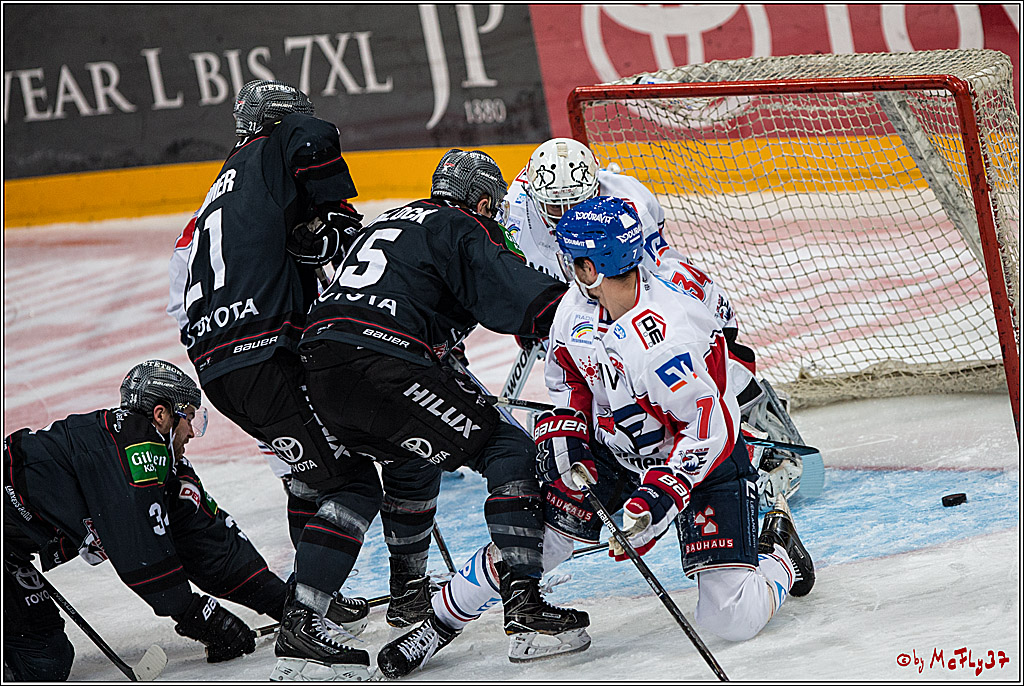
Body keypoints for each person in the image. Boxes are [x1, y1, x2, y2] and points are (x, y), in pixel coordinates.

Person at [379, 197, 816, 678]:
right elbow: (569, 379)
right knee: (534, 541)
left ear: (591, 267)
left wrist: (659, 497)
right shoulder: (576, 307)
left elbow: (711, 428)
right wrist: (566, 433)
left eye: (572, 259)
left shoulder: (667, 340)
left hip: (701, 465)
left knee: (731, 619)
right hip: (616, 452)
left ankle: (780, 552)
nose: (566, 266)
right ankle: (439, 623)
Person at [170, 79, 435, 682]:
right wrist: (334, 210)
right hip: (269, 354)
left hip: (221, 368)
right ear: (276, 124)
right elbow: (313, 137)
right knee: (358, 482)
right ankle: (306, 619)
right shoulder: (275, 147)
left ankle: (318, 598)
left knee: (314, 476)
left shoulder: (223, 192)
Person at [298, 148, 590, 679]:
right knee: (507, 447)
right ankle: (524, 603)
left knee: (411, 457)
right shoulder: (460, 225)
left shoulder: (388, 220)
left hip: (320, 370)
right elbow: (521, 297)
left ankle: (402, 594)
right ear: (482, 202)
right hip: (383, 361)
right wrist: (597, 316)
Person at [498, 137, 800, 449]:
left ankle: (745, 408)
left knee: (686, 365)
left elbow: (641, 285)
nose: (566, 215)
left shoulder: (630, 206)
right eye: (554, 207)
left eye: (576, 203)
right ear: (534, 196)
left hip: (649, 294)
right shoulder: (513, 215)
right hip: (574, 298)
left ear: (596, 189)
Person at [3, 360, 287, 681]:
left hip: (10, 550)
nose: (192, 432)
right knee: (41, 664)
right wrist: (195, 615)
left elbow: (203, 536)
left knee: (43, 657)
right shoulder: (136, 449)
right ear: (161, 414)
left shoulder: (159, 460)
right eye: (189, 417)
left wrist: (280, 600)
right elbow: (138, 545)